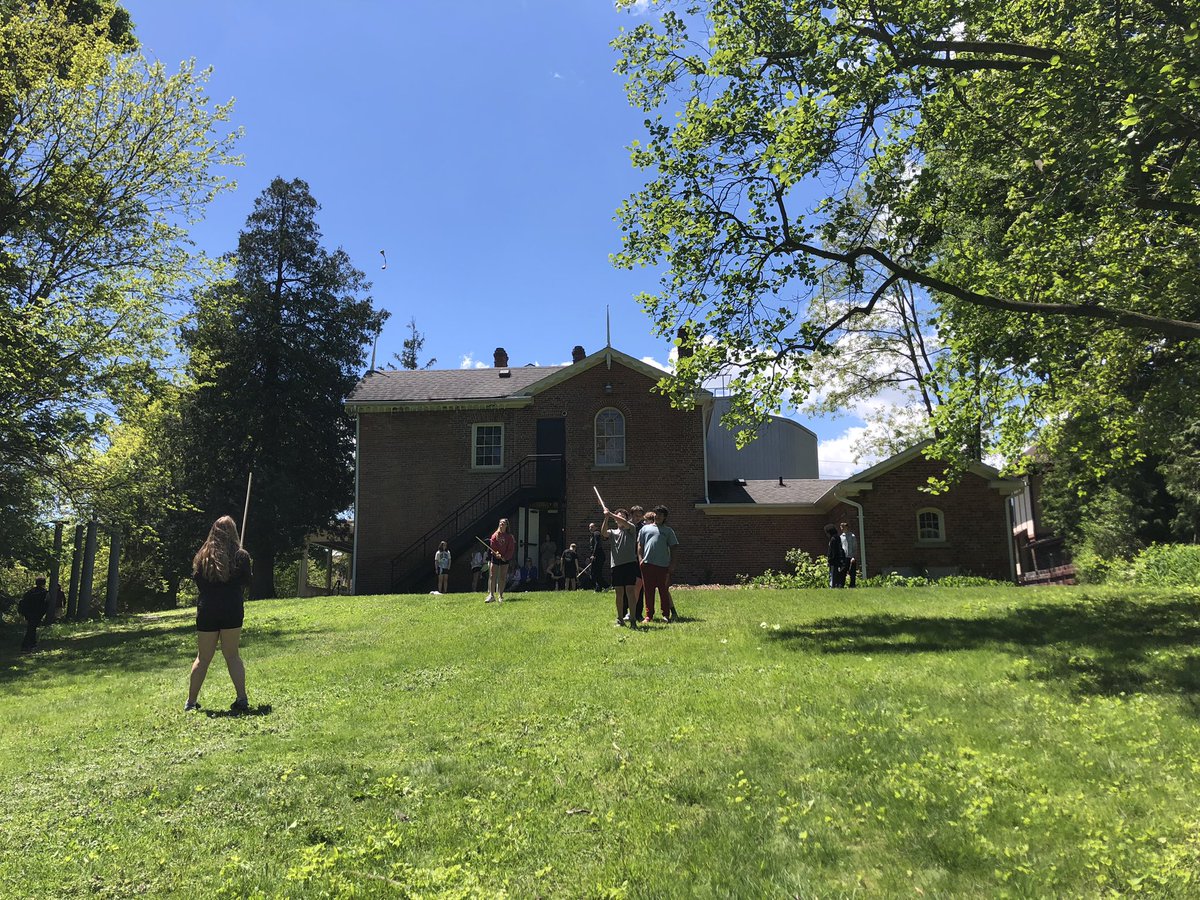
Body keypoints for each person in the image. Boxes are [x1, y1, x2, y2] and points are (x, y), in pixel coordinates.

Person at [186, 516, 253, 713]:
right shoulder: (240, 555)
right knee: (232, 655)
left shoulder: (203, 555)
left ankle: (191, 702)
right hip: (232, 608)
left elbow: (198, 580)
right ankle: (242, 699)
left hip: (208, 609)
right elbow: (247, 582)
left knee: (203, 658)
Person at [639, 508, 680, 623]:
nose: (658, 516)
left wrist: (672, 564)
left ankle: (666, 615)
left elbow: (674, 548)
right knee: (648, 591)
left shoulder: (668, 531)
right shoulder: (645, 529)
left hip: (663, 566)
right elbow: (640, 545)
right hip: (647, 564)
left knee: (663, 590)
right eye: (656, 514)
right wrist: (641, 559)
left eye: (661, 515)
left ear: (664, 517)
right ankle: (649, 615)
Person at [603, 507, 639, 628]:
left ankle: (633, 619)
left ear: (626, 519)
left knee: (630, 591)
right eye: (619, 516)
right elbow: (604, 533)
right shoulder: (613, 532)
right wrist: (606, 518)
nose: (620, 518)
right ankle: (620, 619)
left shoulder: (631, 528)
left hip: (629, 564)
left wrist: (611, 514)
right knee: (619, 593)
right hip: (616, 565)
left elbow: (624, 522)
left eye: (623, 516)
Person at [485, 517, 516, 603]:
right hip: (495, 557)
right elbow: (493, 545)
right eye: (500, 523)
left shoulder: (509, 537)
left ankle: (500, 596)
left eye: (503, 523)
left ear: (506, 525)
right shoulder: (495, 535)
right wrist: (497, 553)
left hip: (505, 558)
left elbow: (511, 549)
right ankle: (491, 595)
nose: (501, 524)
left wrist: (505, 557)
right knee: (492, 576)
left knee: (502, 577)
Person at [18, 577, 48, 652]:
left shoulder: (30, 592)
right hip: (36, 613)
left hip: (28, 613)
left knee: (32, 627)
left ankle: (32, 643)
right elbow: (46, 604)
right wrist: (43, 613)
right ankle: (26, 645)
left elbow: (23, 601)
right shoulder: (44, 592)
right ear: (43, 583)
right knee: (31, 628)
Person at [825, 523, 847, 588]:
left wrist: (829, 560)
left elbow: (832, 552)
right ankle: (836, 586)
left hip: (833, 561)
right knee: (836, 575)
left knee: (833, 575)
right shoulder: (838, 538)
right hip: (838, 561)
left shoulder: (833, 539)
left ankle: (832, 586)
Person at [839, 521, 859, 588]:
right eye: (841, 527)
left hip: (851, 557)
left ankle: (852, 585)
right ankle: (841, 585)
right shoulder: (841, 537)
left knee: (852, 573)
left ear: (846, 527)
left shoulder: (852, 536)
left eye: (843, 527)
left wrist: (854, 557)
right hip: (844, 557)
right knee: (842, 572)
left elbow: (855, 547)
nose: (842, 528)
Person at [588, 522, 607, 591]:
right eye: (589, 527)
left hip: (599, 556)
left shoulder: (596, 533)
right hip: (596, 556)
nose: (590, 528)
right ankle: (599, 588)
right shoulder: (593, 535)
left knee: (595, 573)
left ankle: (606, 586)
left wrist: (594, 555)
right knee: (595, 573)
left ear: (596, 527)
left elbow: (597, 544)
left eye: (592, 527)